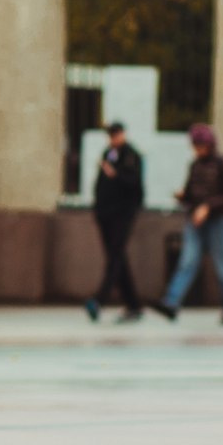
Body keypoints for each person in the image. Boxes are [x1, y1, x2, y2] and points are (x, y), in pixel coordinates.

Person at [156, 124, 223, 325]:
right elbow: (190, 193)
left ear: (210, 144)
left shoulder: (222, 164)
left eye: (200, 145)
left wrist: (208, 207)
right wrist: (183, 197)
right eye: (195, 145)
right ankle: (171, 302)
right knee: (188, 261)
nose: (197, 149)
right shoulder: (194, 165)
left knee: (222, 263)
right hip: (195, 220)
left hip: (217, 221)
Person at [83, 122, 145, 323]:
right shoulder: (108, 154)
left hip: (123, 213)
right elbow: (100, 183)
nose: (113, 139)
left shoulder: (131, 155)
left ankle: (99, 300)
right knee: (116, 257)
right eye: (110, 135)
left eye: (116, 134)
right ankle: (133, 304)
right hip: (106, 213)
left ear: (123, 134)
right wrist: (98, 208)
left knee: (115, 256)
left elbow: (134, 184)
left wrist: (115, 175)